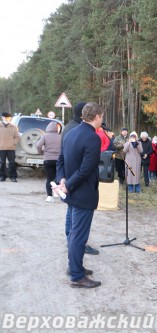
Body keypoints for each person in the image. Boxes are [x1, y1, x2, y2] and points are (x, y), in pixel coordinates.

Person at [54, 102, 104, 288]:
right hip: (82, 194)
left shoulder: (71, 132)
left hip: (72, 193)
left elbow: (60, 160)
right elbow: (86, 169)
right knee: (78, 236)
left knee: (73, 233)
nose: (102, 119)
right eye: (102, 116)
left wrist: (62, 180)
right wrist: (67, 185)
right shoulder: (92, 137)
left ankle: (75, 267)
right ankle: (76, 276)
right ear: (97, 116)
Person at [36, 121, 62, 202]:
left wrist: (41, 152)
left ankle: (50, 197)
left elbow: (38, 145)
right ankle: (57, 193)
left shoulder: (45, 136)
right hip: (58, 160)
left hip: (48, 159)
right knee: (58, 177)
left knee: (49, 178)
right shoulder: (61, 137)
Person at [0, 112, 20, 182]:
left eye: (7, 118)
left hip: (11, 148)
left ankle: (13, 177)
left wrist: (13, 143)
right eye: (4, 117)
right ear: (2, 118)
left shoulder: (13, 127)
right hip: (1, 148)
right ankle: (2, 176)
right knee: (2, 163)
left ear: (10, 118)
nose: (6, 119)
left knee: (12, 163)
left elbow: (17, 137)